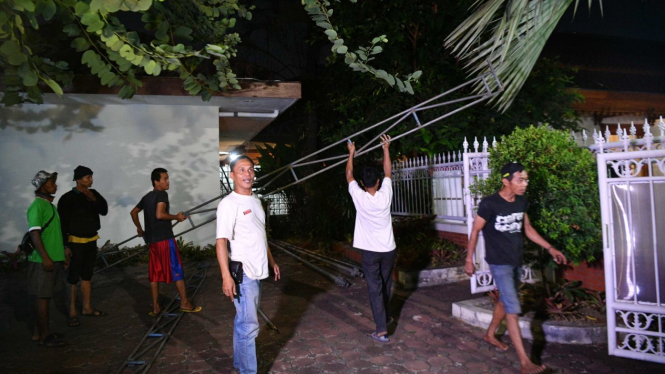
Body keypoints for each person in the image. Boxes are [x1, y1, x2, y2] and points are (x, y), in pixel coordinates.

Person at [465, 162, 567, 374]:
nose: (525, 184)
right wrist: (469, 259)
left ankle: (490, 334)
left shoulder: (521, 203)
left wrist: (550, 248)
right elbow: (475, 231)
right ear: (506, 181)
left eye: (526, 180)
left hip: (516, 260)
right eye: (520, 180)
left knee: (505, 300)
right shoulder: (490, 204)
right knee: (513, 309)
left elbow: (527, 229)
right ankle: (525, 362)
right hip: (499, 262)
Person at [216, 155, 280, 374]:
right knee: (249, 326)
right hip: (244, 274)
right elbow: (221, 242)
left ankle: (239, 364)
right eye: (241, 170)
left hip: (259, 270)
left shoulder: (256, 200)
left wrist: (272, 261)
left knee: (243, 321)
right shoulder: (228, 204)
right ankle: (248, 371)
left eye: (250, 169)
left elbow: (260, 234)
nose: (247, 174)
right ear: (232, 175)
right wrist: (226, 276)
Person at [130, 168, 202, 316]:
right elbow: (160, 214)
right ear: (156, 182)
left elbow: (134, 212)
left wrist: (139, 228)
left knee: (155, 273)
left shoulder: (147, 197)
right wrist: (177, 217)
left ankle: (156, 307)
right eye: (165, 179)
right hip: (164, 239)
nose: (168, 181)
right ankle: (185, 303)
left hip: (152, 241)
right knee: (177, 268)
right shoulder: (162, 194)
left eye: (168, 178)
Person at [346, 134, 396, 343]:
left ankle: (382, 329)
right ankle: (385, 317)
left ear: (362, 183)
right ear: (377, 181)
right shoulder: (385, 194)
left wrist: (351, 154)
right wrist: (386, 148)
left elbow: (348, 174)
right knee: (385, 284)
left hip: (370, 252)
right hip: (388, 250)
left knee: (375, 288)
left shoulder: (359, 196)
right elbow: (388, 172)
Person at [58, 166, 109, 327]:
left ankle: (87, 307)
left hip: (91, 240)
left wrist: (93, 199)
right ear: (78, 179)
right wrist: (65, 246)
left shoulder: (94, 194)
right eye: (87, 177)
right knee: (73, 277)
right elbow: (63, 224)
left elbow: (104, 210)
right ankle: (72, 311)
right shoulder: (67, 198)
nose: (91, 180)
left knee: (87, 275)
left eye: (91, 177)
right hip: (75, 242)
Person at [27, 170, 72, 347]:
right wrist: (46, 257)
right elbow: (34, 233)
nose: (55, 185)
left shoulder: (50, 206)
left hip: (54, 258)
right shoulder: (37, 206)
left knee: (46, 297)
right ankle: (45, 335)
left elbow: (53, 234)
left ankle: (40, 332)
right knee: (43, 298)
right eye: (52, 182)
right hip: (43, 261)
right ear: (42, 186)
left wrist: (62, 254)